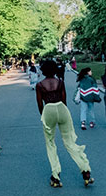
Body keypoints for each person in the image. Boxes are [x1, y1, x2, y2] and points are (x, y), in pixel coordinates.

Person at [36, 60, 94, 188]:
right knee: (70, 142)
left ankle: (56, 176)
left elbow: (40, 104)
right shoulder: (60, 82)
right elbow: (64, 99)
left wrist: (44, 116)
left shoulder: (40, 85)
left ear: (43, 70)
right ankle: (85, 170)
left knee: (50, 143)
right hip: (62, 108)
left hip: (48, 109)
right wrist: (64, 115)